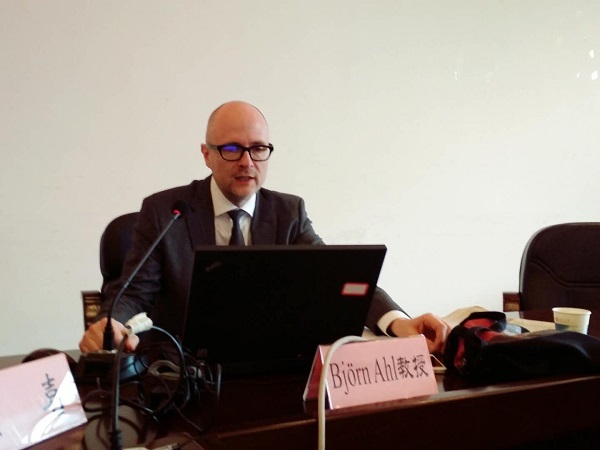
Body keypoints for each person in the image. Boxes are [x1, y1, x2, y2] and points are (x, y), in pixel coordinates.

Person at [79, 100, 449, 355]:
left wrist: (399, 323)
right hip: (185, 371)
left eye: (258, 149)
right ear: (206, 154)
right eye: (231, 149)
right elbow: (133, 292)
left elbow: (341, 279)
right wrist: (112, 323)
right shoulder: (166, 212)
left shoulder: (288, 212)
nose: (247, 162)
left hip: (271, 365)